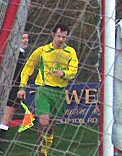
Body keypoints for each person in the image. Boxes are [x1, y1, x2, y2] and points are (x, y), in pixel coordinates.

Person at [18, 24, 79, 156]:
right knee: (43, 120)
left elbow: (73, 70)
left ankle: (46, 144)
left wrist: (63, 73)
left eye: (64, 37)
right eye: (58, 36)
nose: (60, 39)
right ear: (53, 35)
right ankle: (40, 147)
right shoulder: (42, 51)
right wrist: (22, 87)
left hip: (60, 92)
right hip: (43, 89)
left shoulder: (70, 52)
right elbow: (28, 68)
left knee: (52, 124)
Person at [0, 33, 29, 154]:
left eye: (27, 38)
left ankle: (0, 142)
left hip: (16, 88)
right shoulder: (14, 54)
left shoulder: (22, 53)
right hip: (10, 88)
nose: (26, 40)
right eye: (23, 38)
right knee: (6, 115)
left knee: (8, 116)